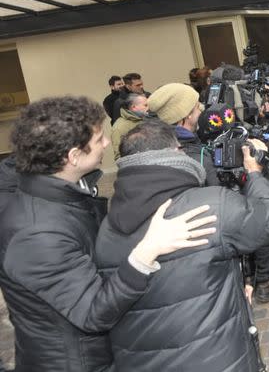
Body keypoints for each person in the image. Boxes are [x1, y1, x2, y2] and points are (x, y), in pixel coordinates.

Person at [0, 97, 216, 372]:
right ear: (73, 156)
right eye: (100, 138)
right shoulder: (36, 234)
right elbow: (94, 312)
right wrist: (146, 250)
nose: (106, 143)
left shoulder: (62, 194)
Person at [96, 120, 269, 371]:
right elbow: (268, 221)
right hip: (214, 358)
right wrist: (254, 172)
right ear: (174, 152)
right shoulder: (211, 205)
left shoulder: (106, 226)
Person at [148, 84, 269, 303]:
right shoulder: (193, 155)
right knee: (261, 227)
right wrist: (252, 172)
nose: (201, 110)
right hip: (210, 225)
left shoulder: (161, 145)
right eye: (196, 107)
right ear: (185, 116)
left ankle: (252, 279)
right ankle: (265, 283)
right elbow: (218, 193)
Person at [111, 92, 148, 160]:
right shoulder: (119, 127)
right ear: (134, 107)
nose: (149, 108)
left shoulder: (147, 119)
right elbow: (119, 156)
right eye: (146, 105)